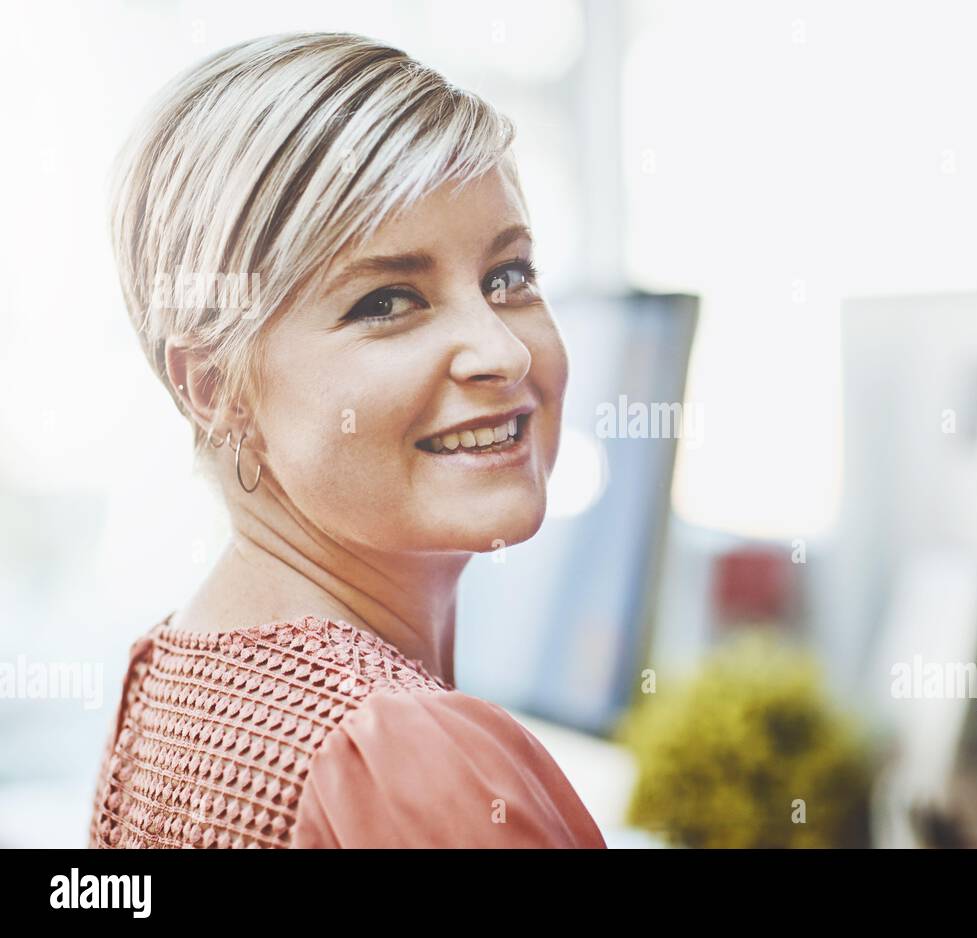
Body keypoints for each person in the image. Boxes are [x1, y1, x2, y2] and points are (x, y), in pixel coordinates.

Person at [88, 32, 605, 848]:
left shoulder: (165, 673)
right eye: (388, 301)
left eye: (508, 277)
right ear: (215, 385)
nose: (503, 352)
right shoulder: (409, 760)